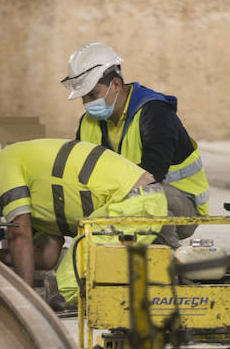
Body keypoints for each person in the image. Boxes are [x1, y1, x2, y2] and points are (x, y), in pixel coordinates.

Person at [0, 138, 168, 305]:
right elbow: (48, 255)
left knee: (68, 285)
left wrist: (24, 299)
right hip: (138, 202)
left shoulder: (2, 162)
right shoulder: (40, 201)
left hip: (132, 201)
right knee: (82, 277)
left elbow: (18, 233)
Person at [61, 42, 211, 247]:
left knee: (145, 199)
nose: (87, 103)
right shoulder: (88, 123)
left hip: (179, 204)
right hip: (122, 200)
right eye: (84, 98)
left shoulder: (155, 112)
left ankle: (170, 265)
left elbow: (152, 174)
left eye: (93, 94)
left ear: (115, 84)